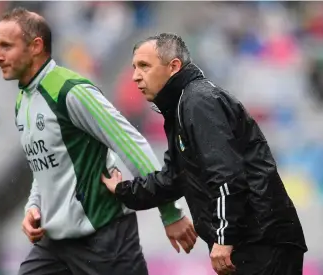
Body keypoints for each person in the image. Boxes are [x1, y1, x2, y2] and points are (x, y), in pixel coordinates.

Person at [0, 8, 198, 275]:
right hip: (55, 243)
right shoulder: (24, 100)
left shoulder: (70, 91)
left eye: (6, 46)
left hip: (104, 238)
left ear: (36, 46)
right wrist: (34, 206)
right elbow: (45, 165)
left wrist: (170, 211)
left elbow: (130, 143)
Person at [101, 33, 307, 275]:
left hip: (260, 242)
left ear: (173, 66)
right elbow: (175, 177)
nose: (135, 76)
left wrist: (223, 237)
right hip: (253, 241)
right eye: (134, 67)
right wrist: (124, 190)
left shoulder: (198, 102)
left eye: (144, 66)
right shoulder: (181, 105)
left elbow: (227, 175)